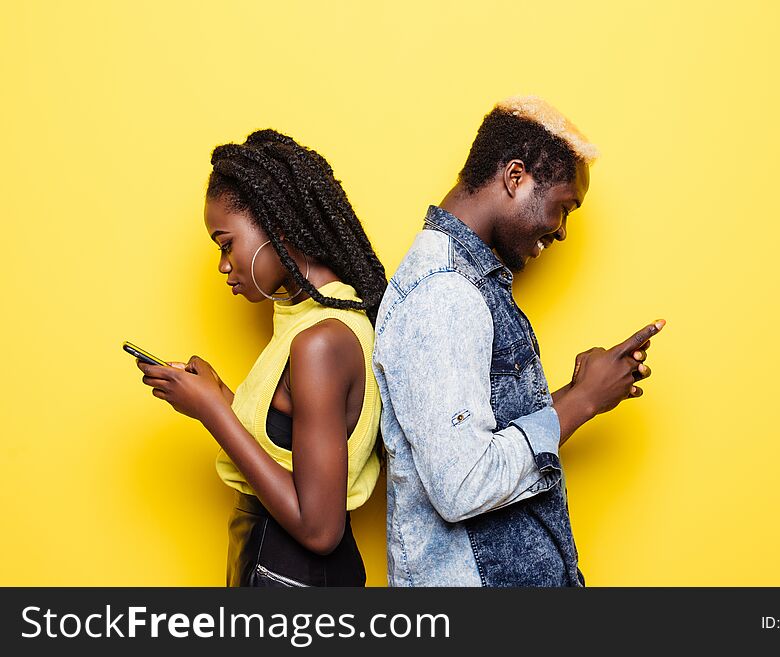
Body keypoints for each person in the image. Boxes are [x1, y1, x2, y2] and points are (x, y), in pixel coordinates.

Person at [372, 96, 665, 586]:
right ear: (515, 177)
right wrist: (581, 400)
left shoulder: (470, 282)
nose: (564, 231)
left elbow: (477, 445)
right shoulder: (443, 293)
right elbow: (461, 485)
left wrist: (582, 392)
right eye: (564, 207)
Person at [136, 129, 386, 587]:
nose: (223, 265)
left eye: (226, 243)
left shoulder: (320, 343)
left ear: (277, 227)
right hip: (277, 566)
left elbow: (320, 529)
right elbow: (291, 444)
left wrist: (211, 411)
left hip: (290, 575)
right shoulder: (314, 320)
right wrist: (217, 395)